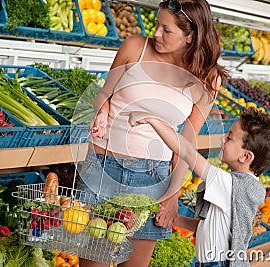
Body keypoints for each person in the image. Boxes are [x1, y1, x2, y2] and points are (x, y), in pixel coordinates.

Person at [76, 0, 228, 266]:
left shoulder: (207, 78)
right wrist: (101, 110)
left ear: (190, 36)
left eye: (166, 30)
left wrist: (172, 193)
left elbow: (188, 141)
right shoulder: (135, 47)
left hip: (152, 178)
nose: (156, 33)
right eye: (157, 24)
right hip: (102, 168)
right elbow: (103, 94)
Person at [126, 107, 270, 267]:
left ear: (245, 156)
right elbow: (210, 228)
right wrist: (176, 219)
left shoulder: (230, 185)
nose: (223, 139)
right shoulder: (241, 186)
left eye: (229, 137)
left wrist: (152, 120)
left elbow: (187, 152)